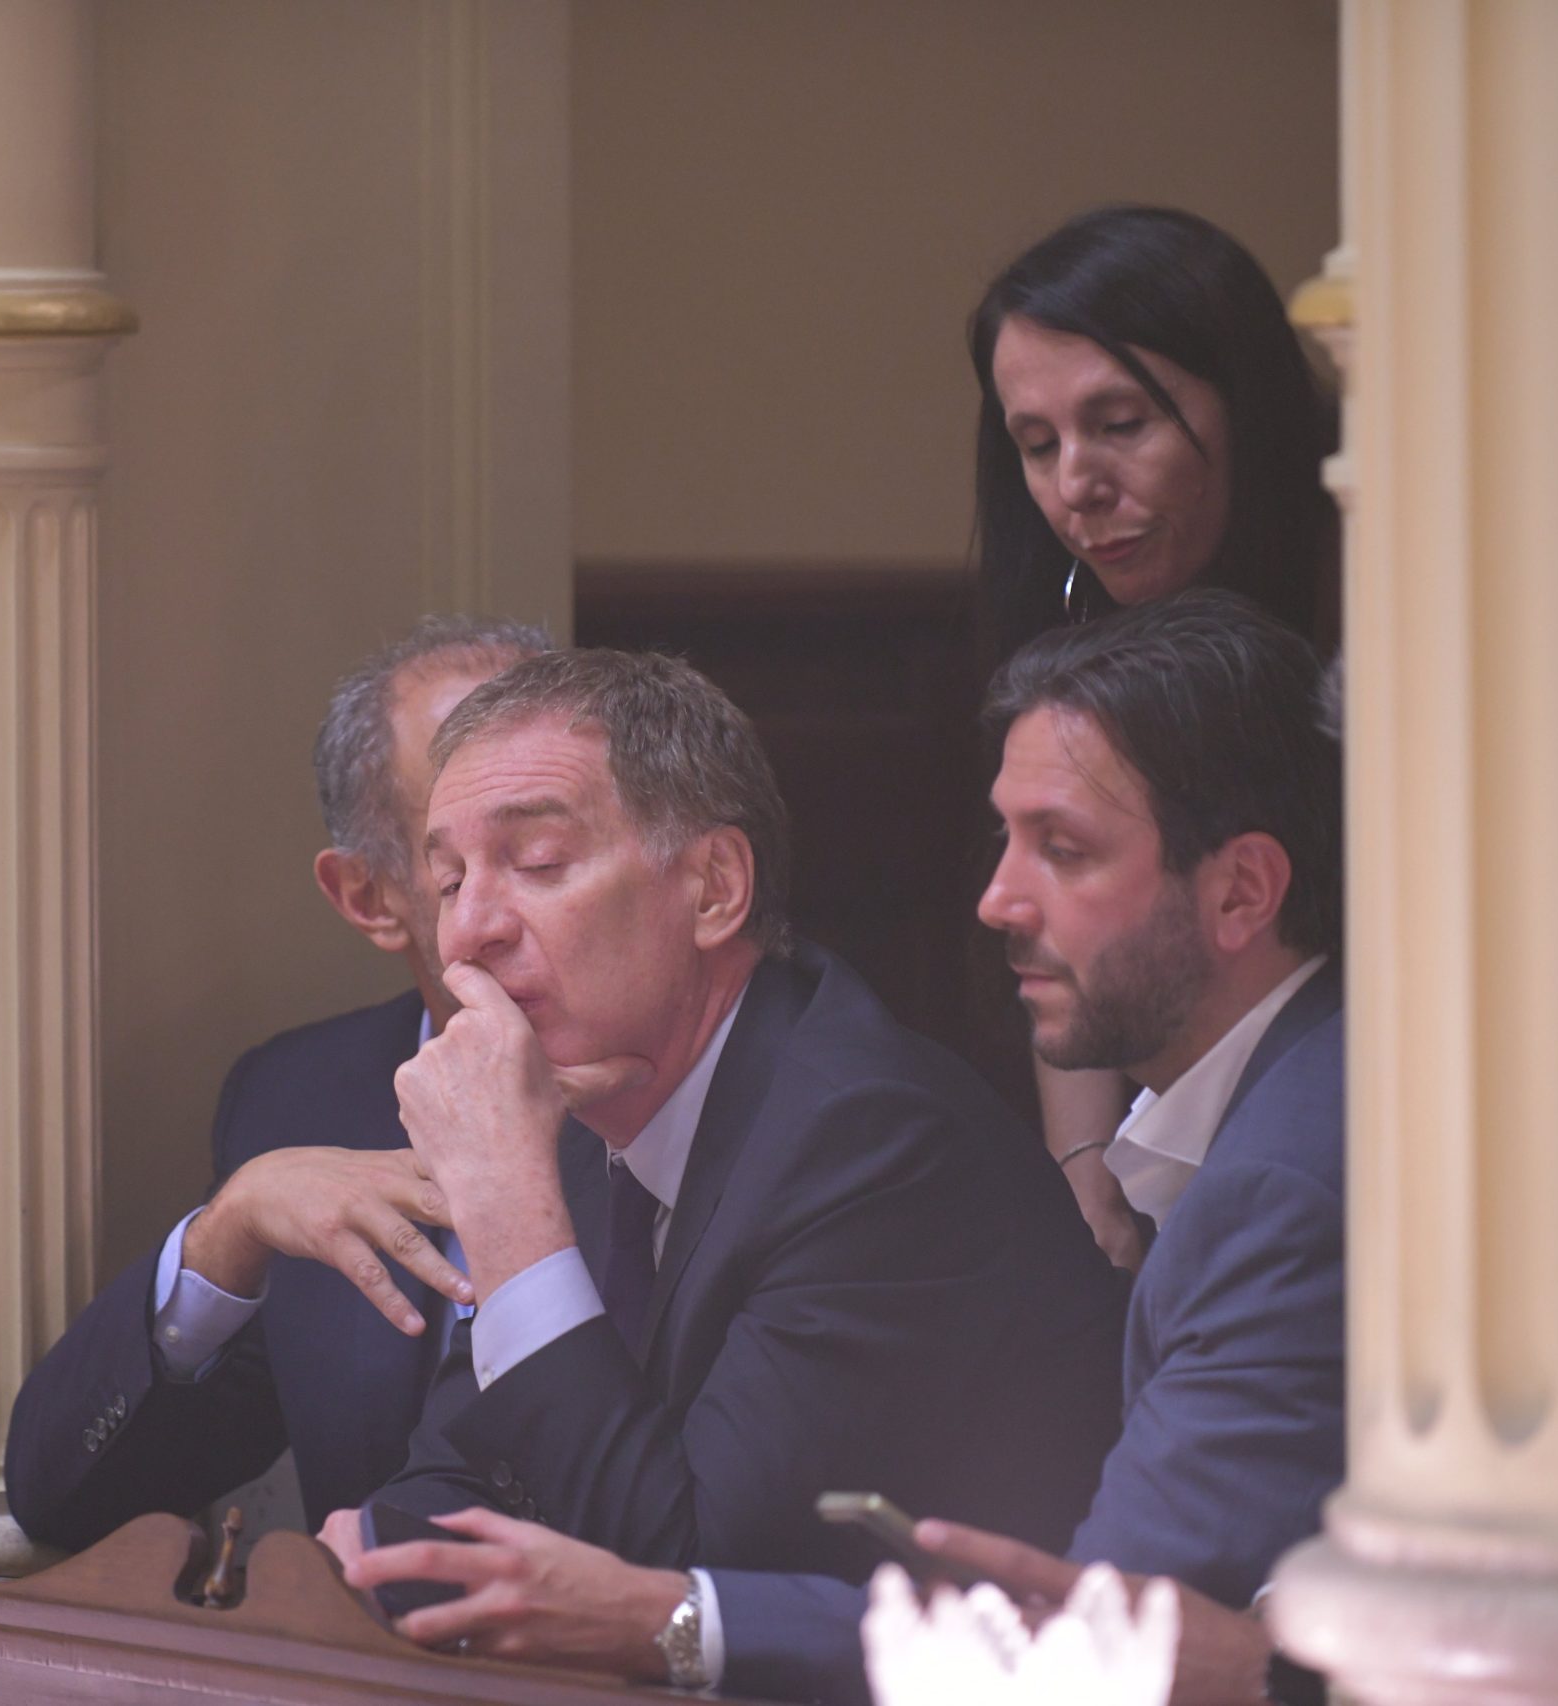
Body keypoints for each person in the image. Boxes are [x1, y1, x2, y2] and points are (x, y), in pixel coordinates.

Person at [348, 594, 1345, 1706]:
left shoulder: (870, 1137)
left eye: (534, 861)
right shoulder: (581, 1105)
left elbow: (669, 1568)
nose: (467, 929)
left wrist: (504, 1205)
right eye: (447, 881)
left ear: (715, 888)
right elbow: (452, 1485)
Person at [3, 615, 549, 1549]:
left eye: (549, 852)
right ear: (369, 898)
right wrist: (227, 1235)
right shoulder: (300, 1100)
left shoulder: (738, 1090)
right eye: (462, 863)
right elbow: (64, 1499)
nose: (523, 903)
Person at [969, 204, 1342, 1269]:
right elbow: (1066, 918)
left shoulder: (1378, 587)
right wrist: (1085, 1166)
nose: (1075, 487)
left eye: (1122, 423)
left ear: (1247, 407)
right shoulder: (1063, 621)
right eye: (1037, 444)